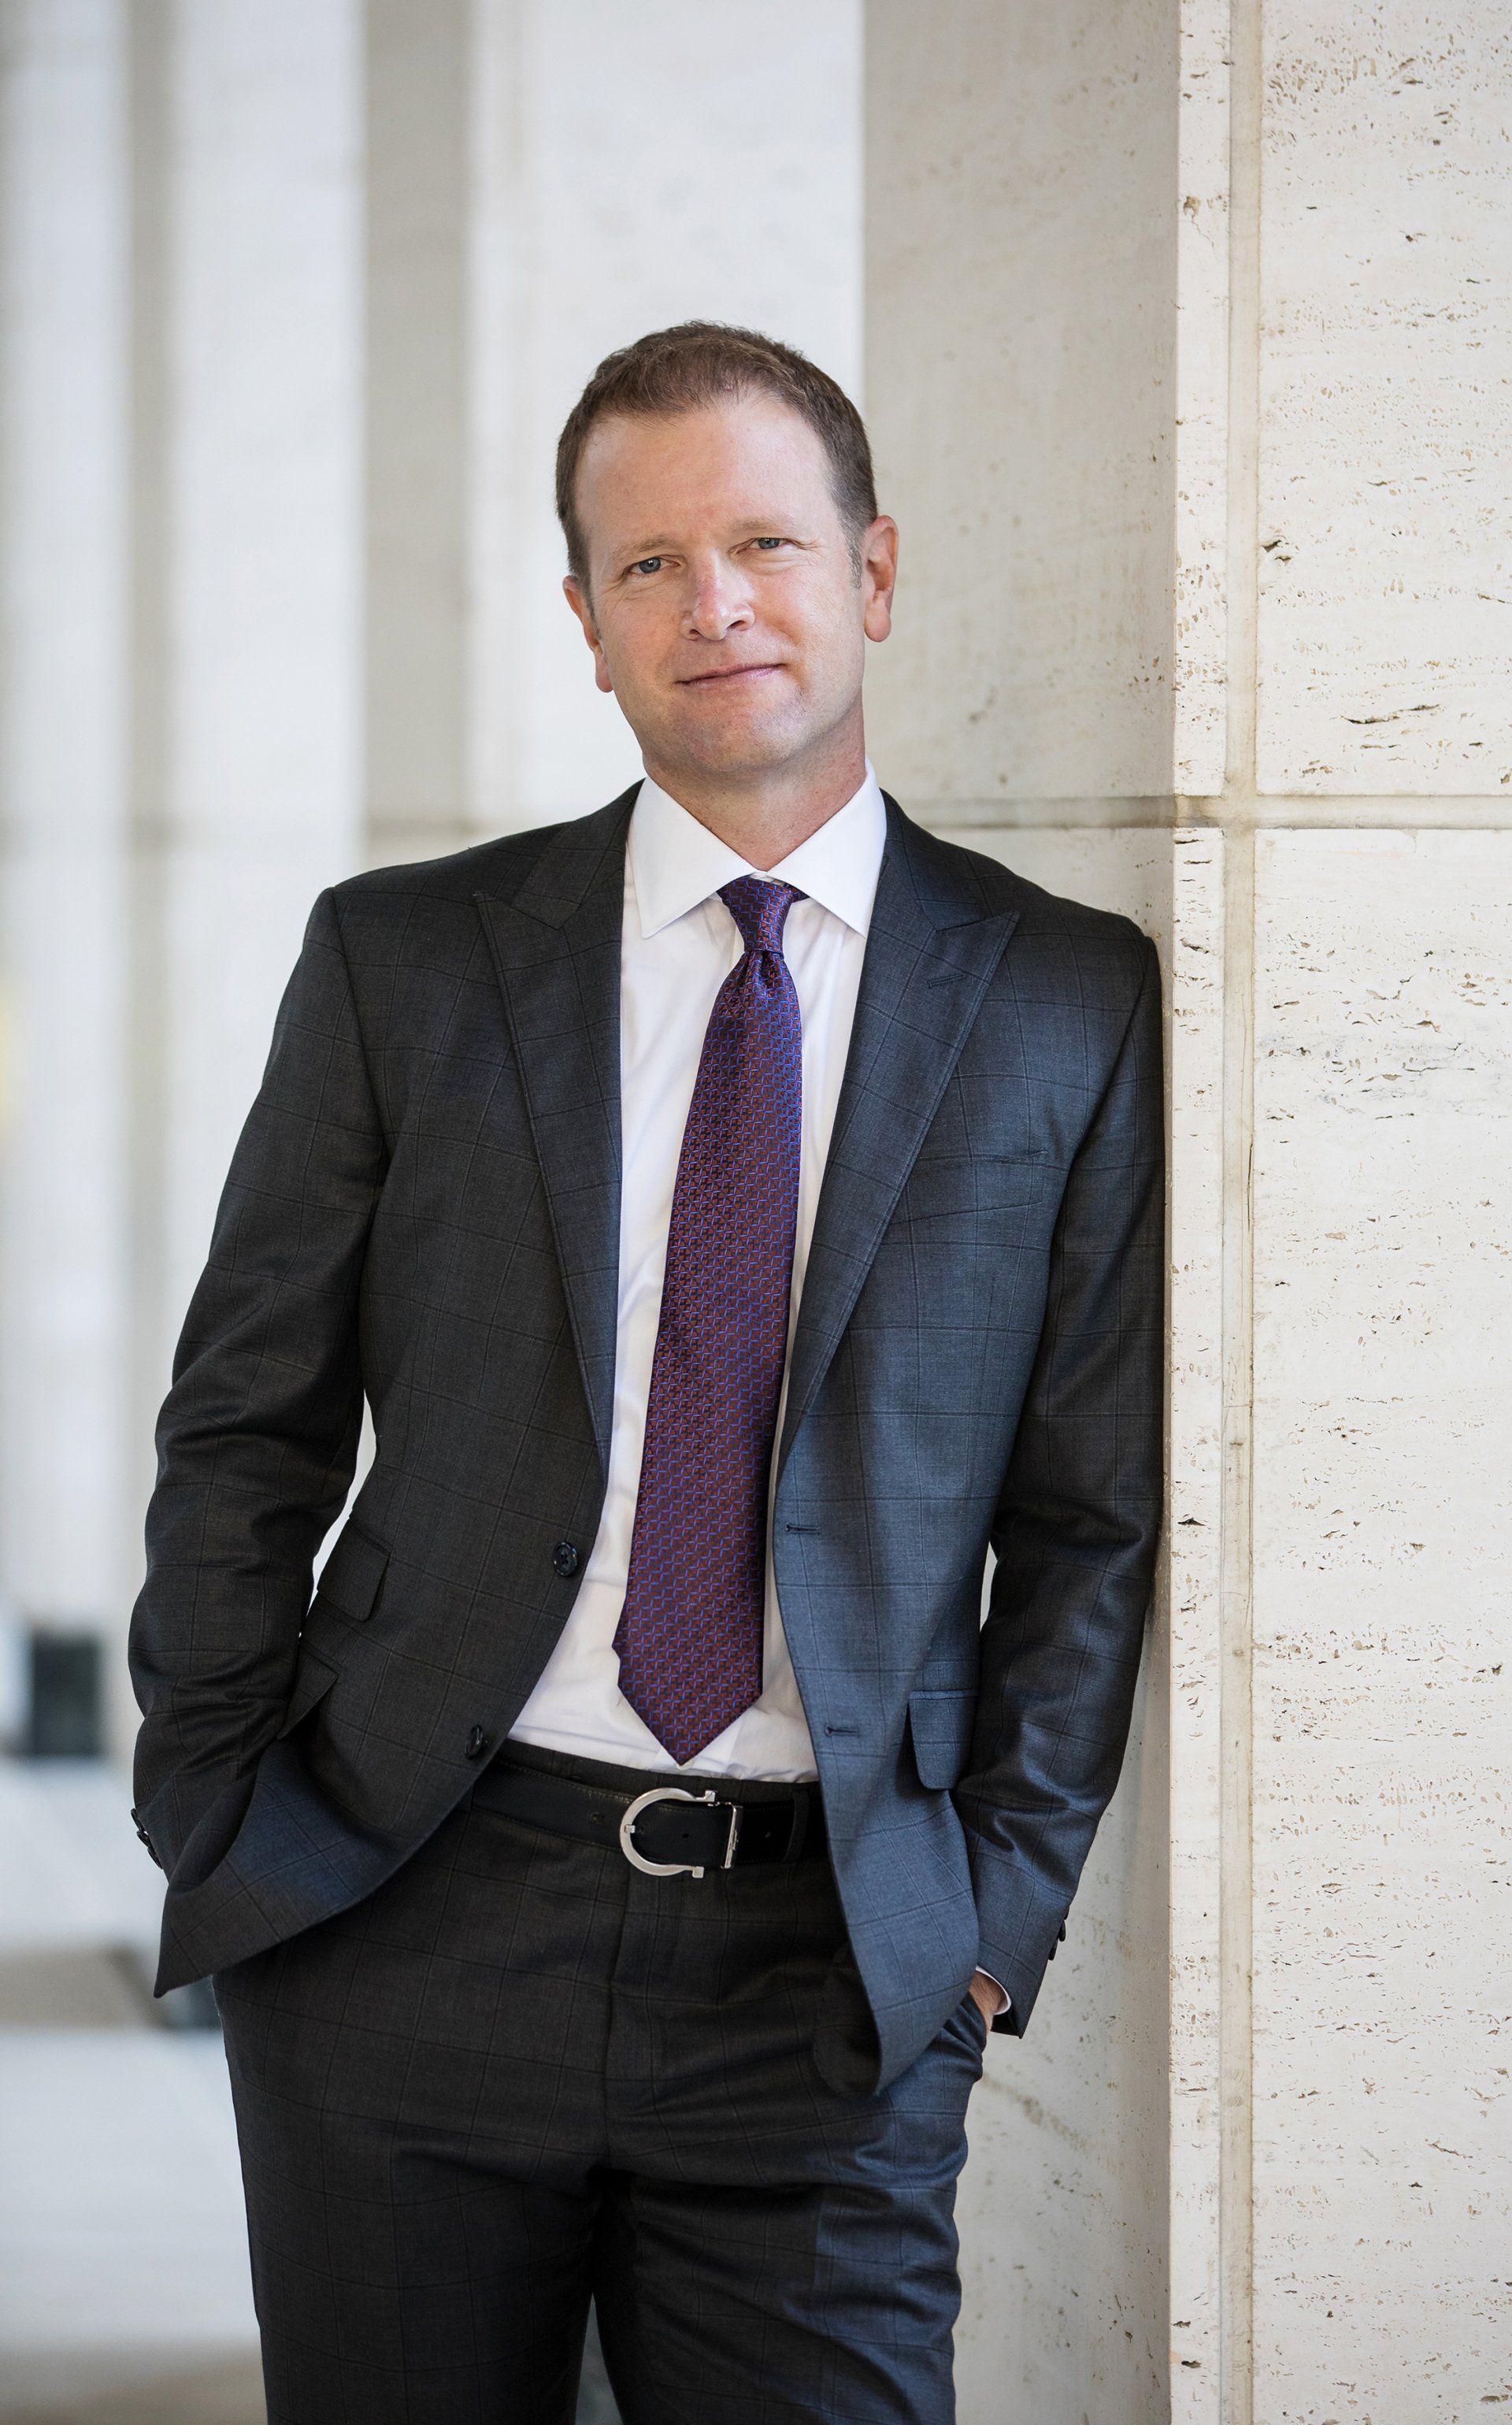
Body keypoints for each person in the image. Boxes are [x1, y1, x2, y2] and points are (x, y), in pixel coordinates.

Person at [128, 321, 1164, 2423]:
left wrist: (994, 1909)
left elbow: (1088, 1511)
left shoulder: (1066, 999)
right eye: (649, 564)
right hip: (410, 1907)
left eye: (768, 543)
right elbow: (247, 1417)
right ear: (585, 623)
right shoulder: (404, 963)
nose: (718, 605)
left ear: (873, 571)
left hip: (834, 1976)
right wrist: (213, 1807)